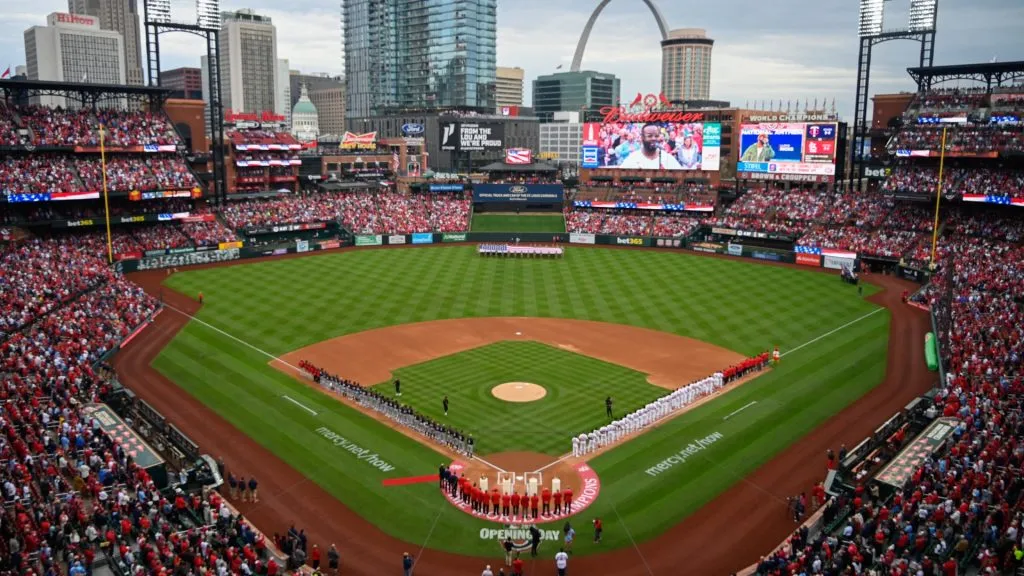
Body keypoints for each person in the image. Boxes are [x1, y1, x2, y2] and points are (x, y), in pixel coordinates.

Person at [617, 123, 683, 170]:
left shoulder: (667, 158)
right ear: (642, 138)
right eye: (650, 136)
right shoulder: (633, 158)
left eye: (656, 136)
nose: (654, 138)